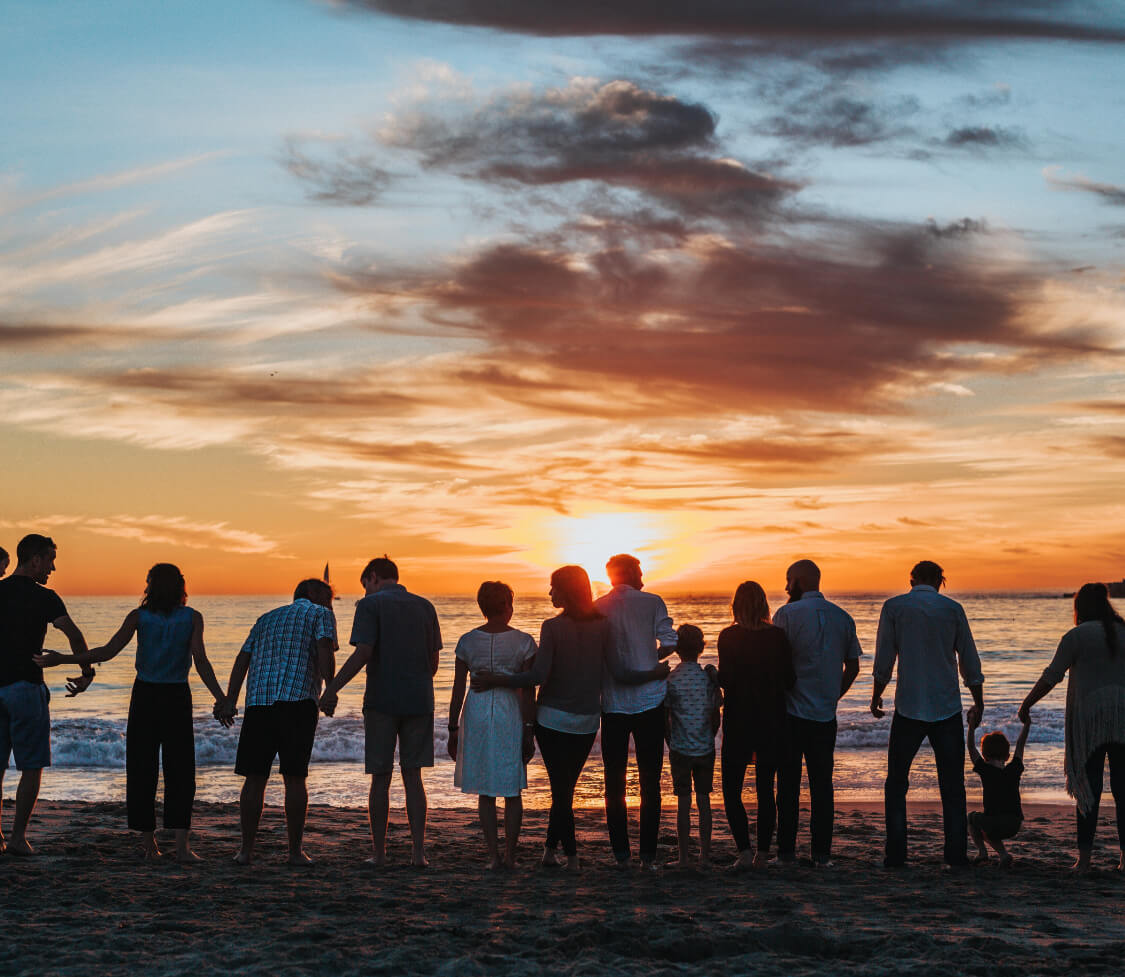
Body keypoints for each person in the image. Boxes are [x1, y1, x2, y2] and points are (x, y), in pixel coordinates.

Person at [471, 565, 669, 871]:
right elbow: (619, 673)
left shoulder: (551, 627)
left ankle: (573, 858)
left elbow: (536, 676)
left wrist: (497, 678)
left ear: (567, 590)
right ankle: (550, 851)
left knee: (561, 792)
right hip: (587, 721)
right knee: (564, 789)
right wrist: (653, 672)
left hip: (551, 720)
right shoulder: (603, 625)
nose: (549, 593)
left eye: (553, 587)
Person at [38, 564, 225, 861]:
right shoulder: (192, 617)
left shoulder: (140, 617)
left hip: (146, 696)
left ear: (150, 586)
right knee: (180, 771)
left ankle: (149, 844)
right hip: (176, 696)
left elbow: (107, 652)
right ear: (180, 587)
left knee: (142, 769)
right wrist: (221, 698)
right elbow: (201, 661)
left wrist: (65, 659)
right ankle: (182, 847)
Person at [319, 556, 441, 868]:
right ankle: (418, 855)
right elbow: (434, 664)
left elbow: (364, 652)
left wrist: (332, 687)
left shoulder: (370, 605)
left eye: (366, 585)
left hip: (382, 700)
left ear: (373, 577)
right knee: (413, 776)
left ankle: (380, 854)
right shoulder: (425, 606)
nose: (366, 591)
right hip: (419, 699)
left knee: (380, 777)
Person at [871, 560, 984, 869]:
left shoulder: (894, 607)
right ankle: (956, 856)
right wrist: (978, 699)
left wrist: (876, 693)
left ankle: (896, 855)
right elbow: (969, 659)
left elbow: (885, 657)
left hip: (908, 706)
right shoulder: (952, 609)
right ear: (940, 581)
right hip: (946, 706)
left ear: (912, 579)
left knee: (896, 783)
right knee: (952, 785)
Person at [220, 578, 337, 866]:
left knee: (254, 778)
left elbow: (242, 659)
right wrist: (331, 689)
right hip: (297, 701)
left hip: (259, 702)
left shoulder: (266, 618)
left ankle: (245, 851)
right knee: (295, 778)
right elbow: (324, 648)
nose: (331, 602)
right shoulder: (321, 614)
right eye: (328, 596)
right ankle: (295, 852)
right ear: (311, 593)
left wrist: (230, 699)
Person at [1019, 582, 1125, 873]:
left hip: (1088, 724)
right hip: (1123, 720)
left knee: (1087, 788)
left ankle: (1085, 860)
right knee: (1123, 790)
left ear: (1080, 607)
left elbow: (1051, 676)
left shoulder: (1076, 636)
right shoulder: (1123, 631)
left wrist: (1027, 704)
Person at [0, 534, 93, 855]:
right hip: (25, 687)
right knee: (31, 766)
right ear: (35, 559)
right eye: (50, 559)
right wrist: (85, 673)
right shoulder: (46, 598)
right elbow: (74, 635)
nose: (53, 567)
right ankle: (16, 838)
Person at [772, 559, 861, 866]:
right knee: (823, 786)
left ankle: (786, 853)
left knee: (788, 786)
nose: (785, 587)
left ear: (798, 581)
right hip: (825, 714)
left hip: (792, 713)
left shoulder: (785, 614)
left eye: (788, 580)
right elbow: (853, 667)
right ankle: (821, 854)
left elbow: (776, 664)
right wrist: (833, 696)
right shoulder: (843, 617)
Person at [447, 582, 536, 869]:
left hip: (477, 713)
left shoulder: (467, 641)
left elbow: (458, 689)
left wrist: (452, 729)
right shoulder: (524, 642)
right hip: (510, 712)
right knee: (512, 789)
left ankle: (493, 857)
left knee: (486, 790)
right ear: (508, 606)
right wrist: (529, 728)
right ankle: (510, 856)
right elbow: (529, 690)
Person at [596, 554, 676, 869]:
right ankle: (648, 856)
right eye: (640, 569)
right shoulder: (653, 602)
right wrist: (650, 657)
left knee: (613, 780)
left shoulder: (598, 606)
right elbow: (670, 642)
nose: (643, 575)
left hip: (613, 703)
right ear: (630, 571)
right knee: (650, 780)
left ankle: (621, 854)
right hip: (650, 701)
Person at [717, 581, 796, 870]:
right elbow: (790, 680)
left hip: (740, 719)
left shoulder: (728, 637)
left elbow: (726, 679)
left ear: (736, 606)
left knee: (732, 789)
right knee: (766, 789)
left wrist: (714, 676)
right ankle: (763, 853)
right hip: (773, 719)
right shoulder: (777, 637)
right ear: (764, 605)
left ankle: (744, 852)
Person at [665, 624, 721, 868]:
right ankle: (705, 856)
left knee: (683, 804)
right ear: (701, 648)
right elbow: (716, 713)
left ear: (676, 649)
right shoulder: (707, 678)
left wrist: (671, 741)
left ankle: (684, 858)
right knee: (704, 801)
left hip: (680, 748)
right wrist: (710, 734)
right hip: (705, 747)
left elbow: (665, 718)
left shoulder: (671, 679)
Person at [967, 715, 1030, 866]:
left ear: (984, 755)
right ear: (1008, 756)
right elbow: (1021, 744)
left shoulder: (985, 770)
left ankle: (985, 852)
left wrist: (971, 726)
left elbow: (970, 747)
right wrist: (1027, 723)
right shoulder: (1014, 769)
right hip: (1015, 824)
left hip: (995, 824)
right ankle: (1002, 856)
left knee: (972, 818)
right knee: (988, 825)